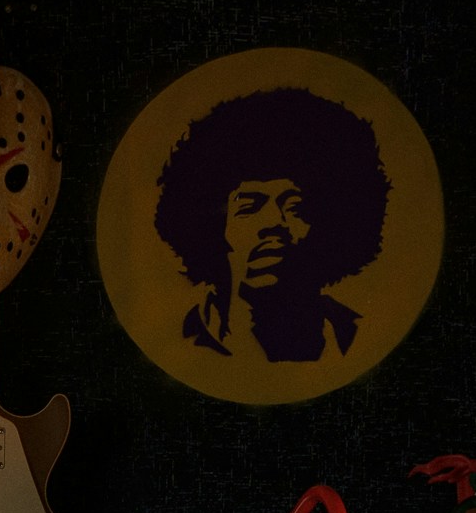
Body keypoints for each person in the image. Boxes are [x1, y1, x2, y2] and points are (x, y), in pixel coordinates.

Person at [153, 85, 391, 367]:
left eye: (294, 207)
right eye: (249, 206)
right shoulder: (174, 346)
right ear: (210, 227)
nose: (274, 222)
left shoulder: (363, 340)